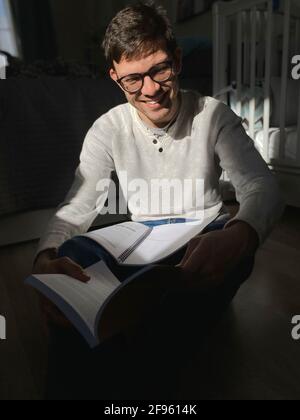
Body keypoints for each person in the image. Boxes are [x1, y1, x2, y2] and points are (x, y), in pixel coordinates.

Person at [32, 2, 285, 400]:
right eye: (133, 79)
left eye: (160, 69)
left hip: (203, 239)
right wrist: (46, 256)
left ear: (178, 60)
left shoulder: (213, 115)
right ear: (115, 78)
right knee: (75, 253)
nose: (150, 89)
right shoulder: (107, 129)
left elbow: (261, 186)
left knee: (238, 248)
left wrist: (240, 235)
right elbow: (78, 204)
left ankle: (140, 357)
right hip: (139, 244)